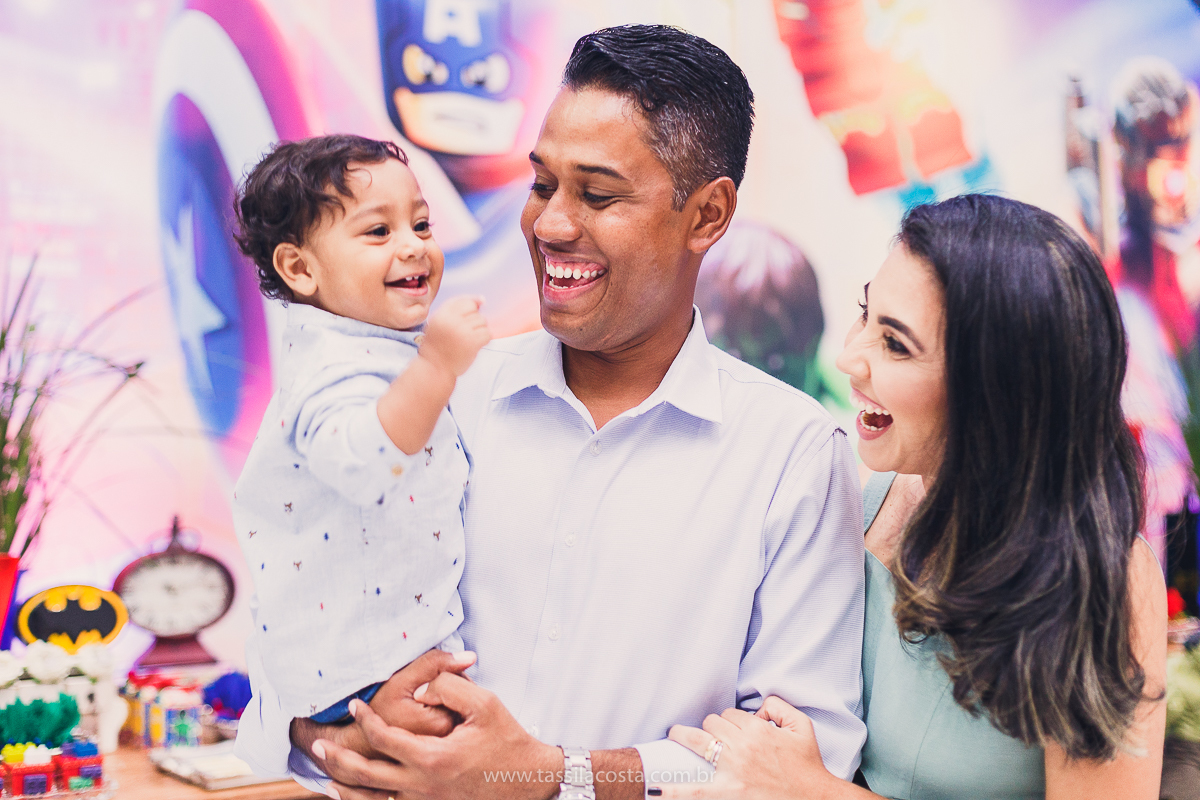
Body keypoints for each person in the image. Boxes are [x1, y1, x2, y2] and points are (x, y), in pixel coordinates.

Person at [234, 24, 867, 800]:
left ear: (707, 216)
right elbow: (296, 589)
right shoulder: (433, 396)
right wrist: (327, 725)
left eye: (598, 194)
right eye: (541, 185)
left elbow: (800, 759)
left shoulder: (792, 453)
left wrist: (546, 778)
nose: (550, 224)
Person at [662, 195, 1168, 799]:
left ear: (996, 390)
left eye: (896, 345)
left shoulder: (1104, 582)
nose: (852, 358)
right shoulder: (864, 498)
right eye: (865, 315)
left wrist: (814, 790)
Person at [230, 135, 490, 727]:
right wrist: (437, 368)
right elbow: (362, 463)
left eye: (422, 226)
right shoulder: (328, 367)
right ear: (299, 268)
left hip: (387, 656)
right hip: (360, 672)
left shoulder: (375, 348)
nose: (413, 247)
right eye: (378, 232)